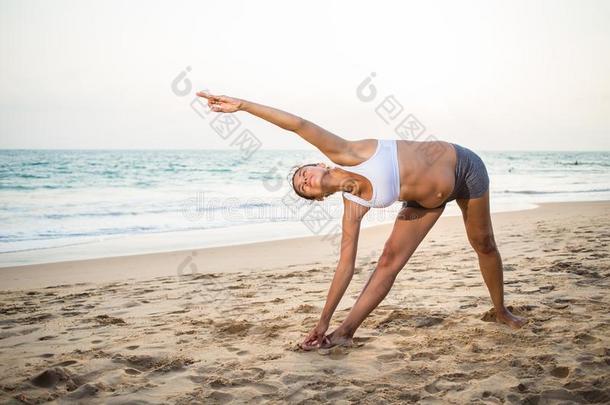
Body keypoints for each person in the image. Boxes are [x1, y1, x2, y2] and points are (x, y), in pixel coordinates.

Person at [196, 91, 527, 350]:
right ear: (318, 198)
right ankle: (344, 332)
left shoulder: (347, 153)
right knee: (387, 262)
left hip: (463, 169)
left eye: (304, 173)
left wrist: (242, 106)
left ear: (318, 165)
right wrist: (323, 321)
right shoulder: (352, 207)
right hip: (426, 204)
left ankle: (500, 310)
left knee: (483, 243)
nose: (305, 180)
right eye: (302, 188)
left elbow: (296, 124)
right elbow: (345, 267)